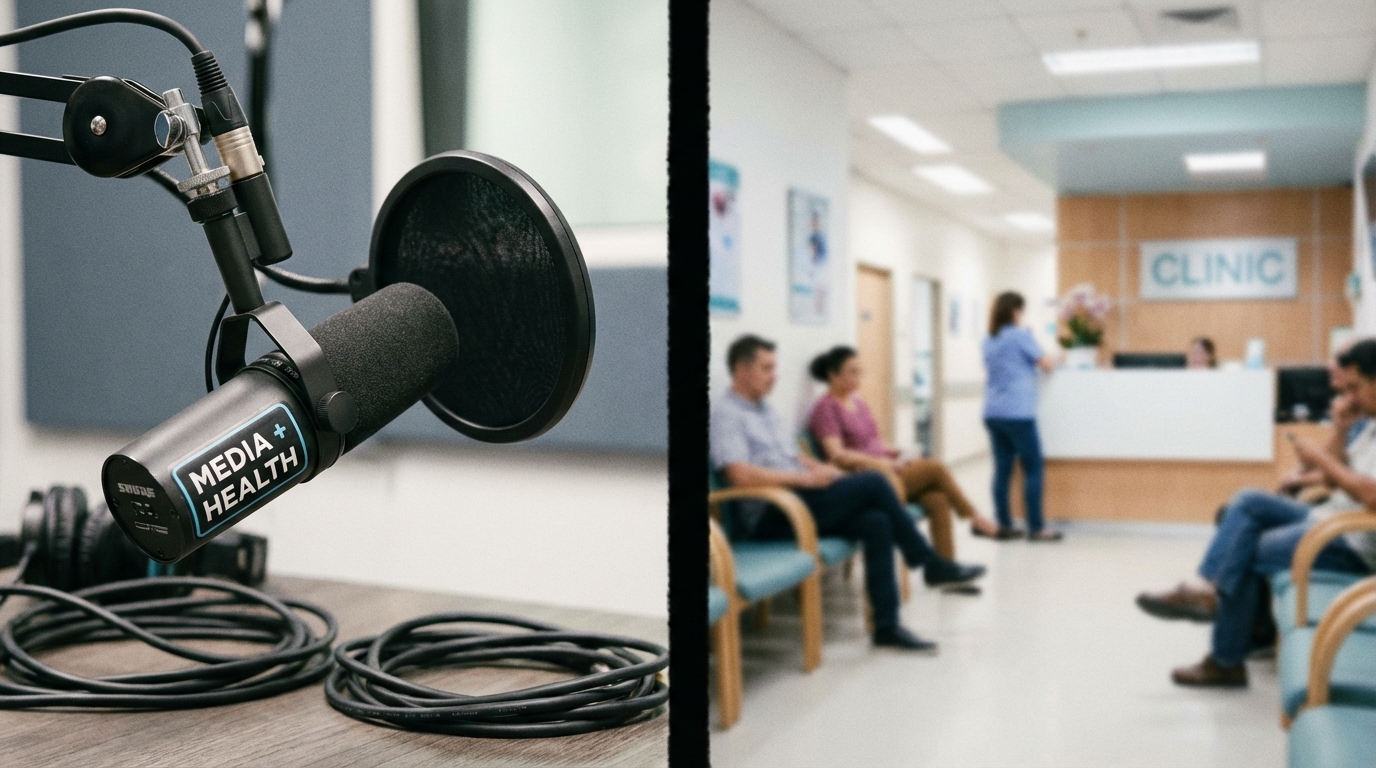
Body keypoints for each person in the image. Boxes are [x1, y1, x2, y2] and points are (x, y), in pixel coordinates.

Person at [710, 334, 986, 652]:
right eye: (766, 368)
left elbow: (794, 456)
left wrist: (821, 470)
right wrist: (805, 481)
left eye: (774, 368)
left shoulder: (765, 411)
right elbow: (739, 474)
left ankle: (886, 626)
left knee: (877, 521)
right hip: (771, 514)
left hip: (802, 499)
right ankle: (927, 561)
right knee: (875, 482)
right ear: (741, 371)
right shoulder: (727, 415)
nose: (775, 376)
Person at [1136, 339, 1376, 687]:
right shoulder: (1369, 422)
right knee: (1246, 501)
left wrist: (1321, 459)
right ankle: (1205, 589)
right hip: (1330, 519)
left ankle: (1225, 659)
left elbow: (1369, 493)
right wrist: (1339, 429)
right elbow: (1332, 477)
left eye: (1356, 387)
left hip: (1351, 541)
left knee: (1245, 547)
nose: (1349, 396)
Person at [805, 346, 1000, 559]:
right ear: (833, 375)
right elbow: (837, 454)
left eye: (859, 371)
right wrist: (881, 463)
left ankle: (946, 569)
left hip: (888, 468)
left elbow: (873, 442)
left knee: (938, 499)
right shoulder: (825, 408)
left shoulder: (858, 403)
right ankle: (975, 518)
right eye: (852, 372)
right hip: (868, 478)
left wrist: (896, 452)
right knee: (934, 467)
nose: (858, 377)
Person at [982, 292, 1062, 541]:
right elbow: (1046, 363)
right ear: (1016, 312)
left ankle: (1004, 524)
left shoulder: (988, 338)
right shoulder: (1020, 335)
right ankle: (1036, 527)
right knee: (1033, 468)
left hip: (993, 411)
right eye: (1021, 311)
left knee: (1002, 470)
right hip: (1018, 412)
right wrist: (1056, 357)